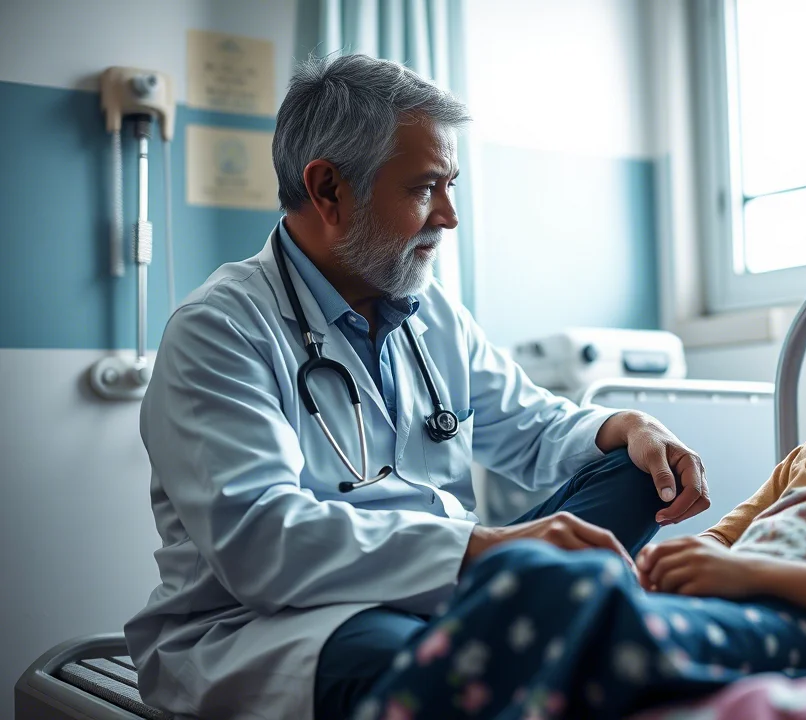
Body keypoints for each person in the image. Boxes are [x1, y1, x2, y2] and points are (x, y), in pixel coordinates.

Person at [123, 54, 710, 720]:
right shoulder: (221, 329)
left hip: (446, 591)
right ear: (330, 190)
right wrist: (481, 547)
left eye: (450, 185)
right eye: (426, 187)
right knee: (399, 655)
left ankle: (505, 634)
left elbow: (534, 427)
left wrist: (627, 427)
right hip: (270, 626)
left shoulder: (431, 313)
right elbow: (263, 542)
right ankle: (518, 636)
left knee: (634, 471)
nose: (450, 216)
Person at [357, 269, 806, 719]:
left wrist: (746, 573)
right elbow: (721, 537)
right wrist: (669, 567)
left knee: (562, 595)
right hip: (724, 610)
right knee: (534, 568)